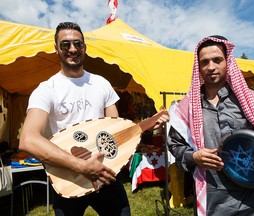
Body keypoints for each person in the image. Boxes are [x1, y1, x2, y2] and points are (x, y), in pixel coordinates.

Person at [19, 22, 169, 216]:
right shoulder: (47, 89)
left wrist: (145, 126)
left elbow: (114, 129)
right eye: (65, 44)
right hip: (69, 178)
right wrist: (82, 166)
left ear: (84, 47)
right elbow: (28, 139)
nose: (72, 49)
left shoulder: (102, 84)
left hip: (104, 173)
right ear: (56, 49)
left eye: (78, 44)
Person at [167, 35, 254, 216]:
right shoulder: (185, 110)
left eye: (217, 60)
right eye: (205, 62)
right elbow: (176, 145)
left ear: (227, 62)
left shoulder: (253, 101)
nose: (211, 67)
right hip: (215, 204)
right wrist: (194, 157)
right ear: (198, 67)